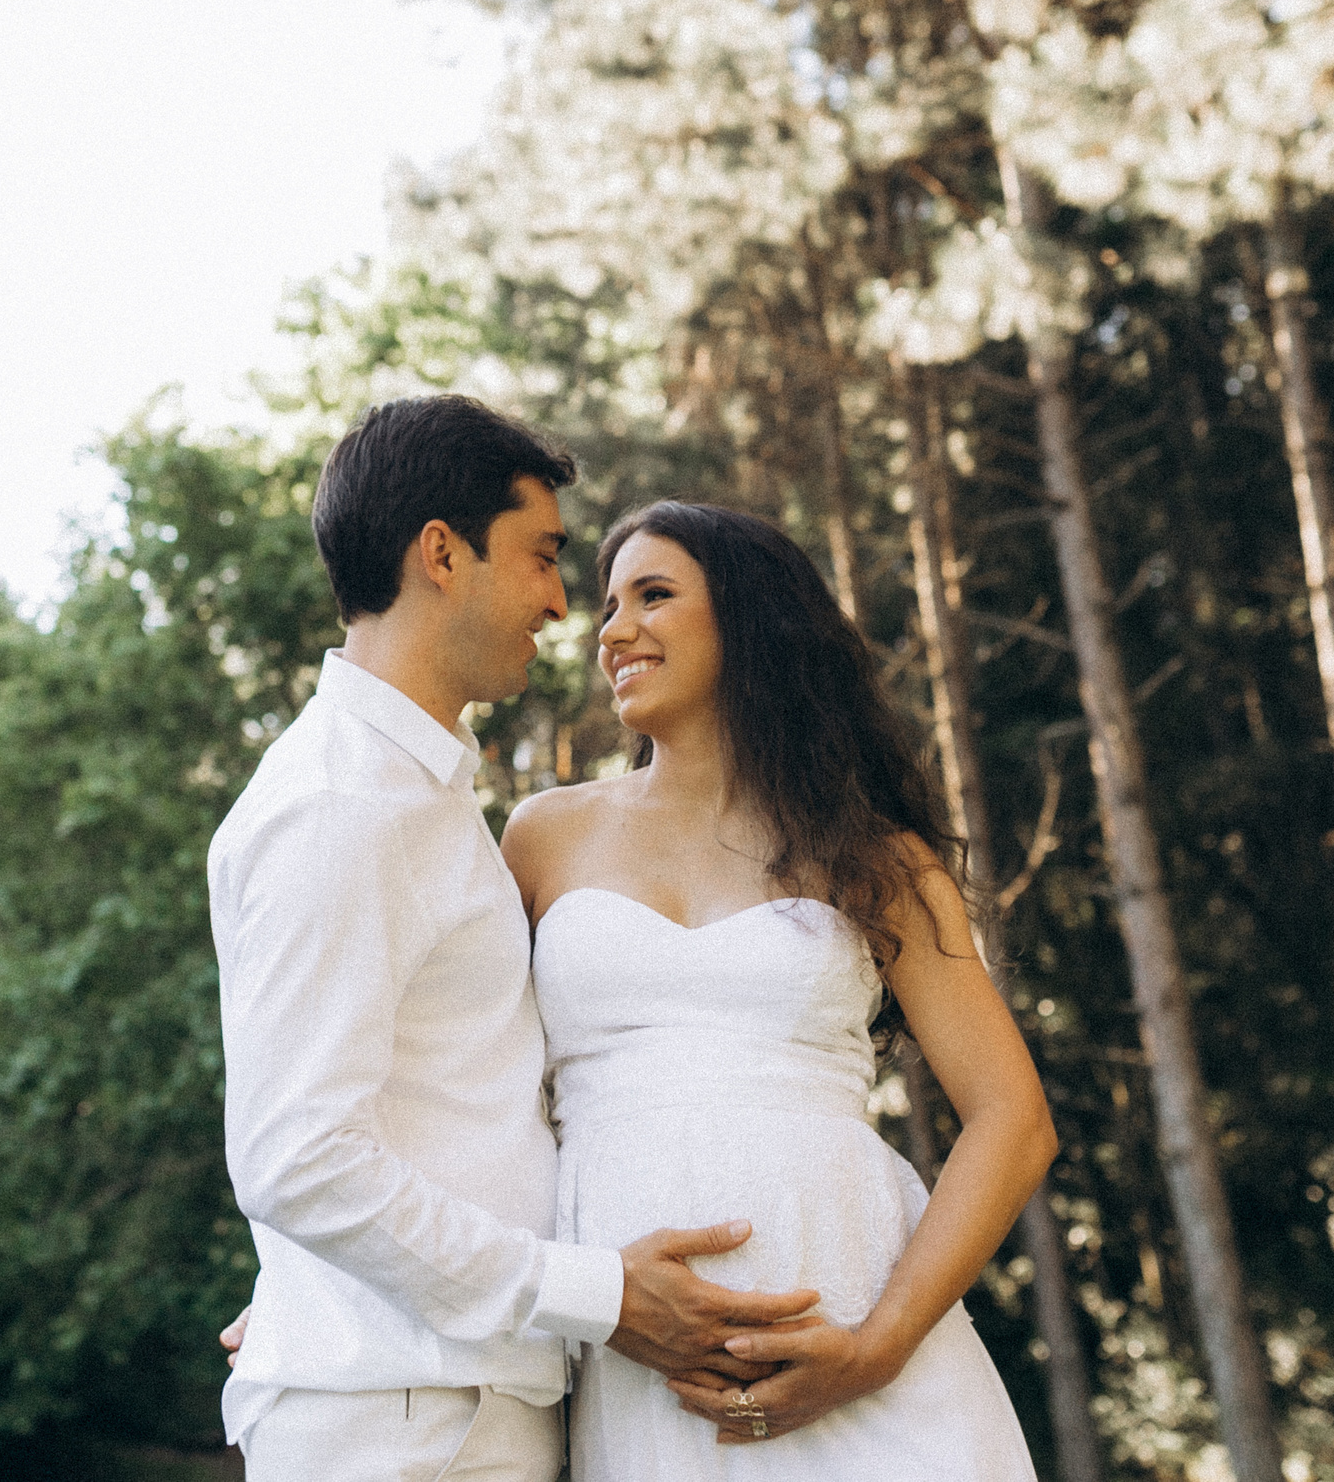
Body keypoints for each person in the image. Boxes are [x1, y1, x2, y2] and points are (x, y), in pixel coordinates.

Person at [210, 399, 823, 1482]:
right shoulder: (340, 804)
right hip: (405, 1425)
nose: (560, 601)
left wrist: (315, 1286)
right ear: (442, 554)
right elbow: (295, 1156)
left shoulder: (421, 796)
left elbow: (460, 1103)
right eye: (542, 555)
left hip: (448, 1403)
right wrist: (598, 1296)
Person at [501, 499, 1055, 1476]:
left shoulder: (875, 856)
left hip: (864, 1352)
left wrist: (877, 1348)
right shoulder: (544, 835)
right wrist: (337, 1285)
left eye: (653, 595)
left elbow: (1013, 1119)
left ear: (749, 617)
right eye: (608, 606)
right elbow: (453, 1085)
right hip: (647, 1374)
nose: (613, 631)